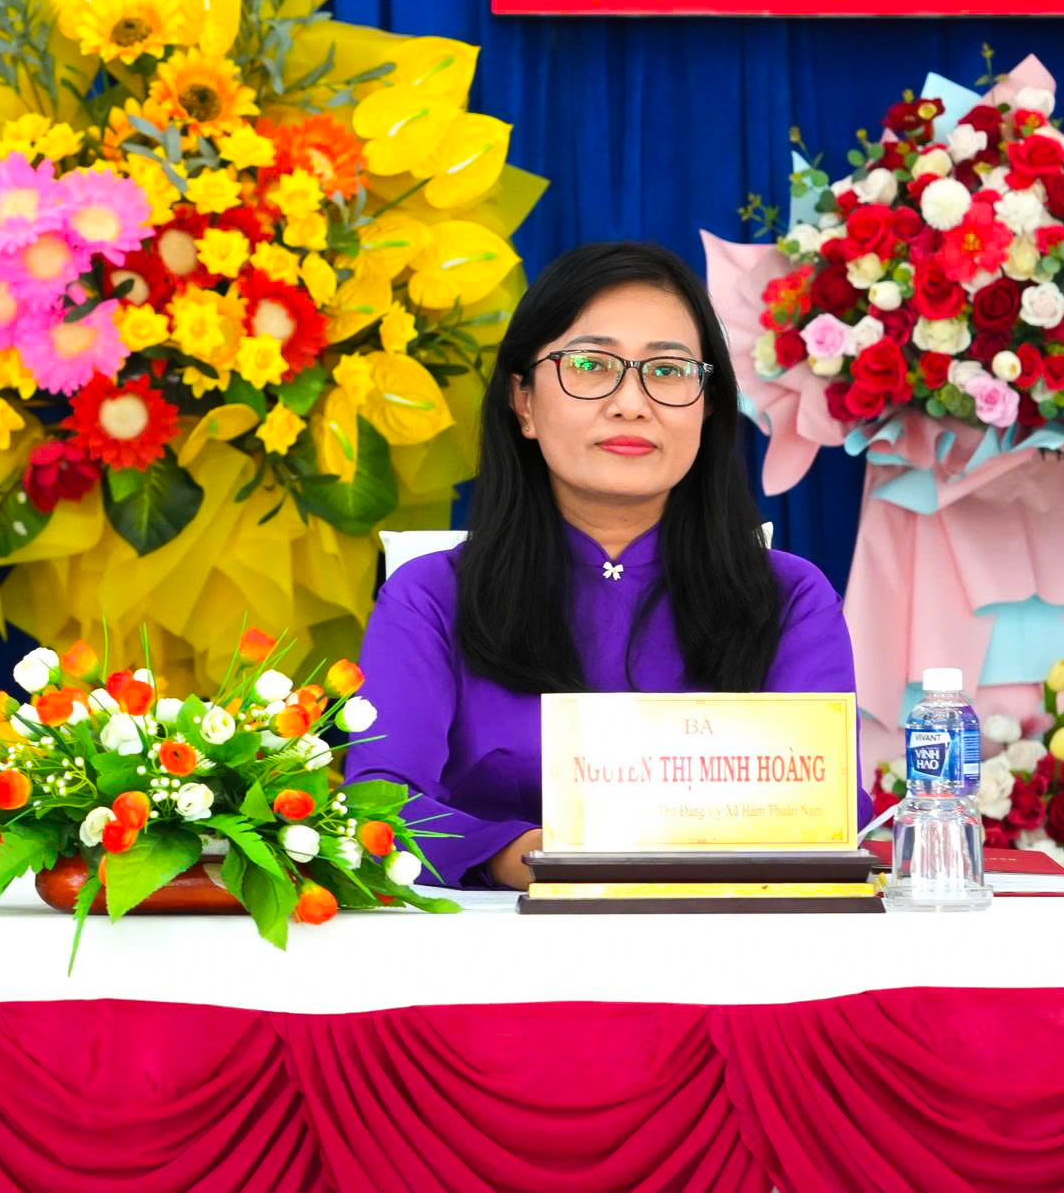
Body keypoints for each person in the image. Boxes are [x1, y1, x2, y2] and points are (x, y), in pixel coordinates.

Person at [346, 241, 856, 889]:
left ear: (707, 404)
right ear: (523, 402)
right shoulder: (430, 596)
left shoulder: (788, 596)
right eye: (590, 364)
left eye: (668, 370)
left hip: (725, 931)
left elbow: (828, 809)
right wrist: (520, 855)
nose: (631, 403)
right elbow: (379, 806)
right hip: (495, 934)